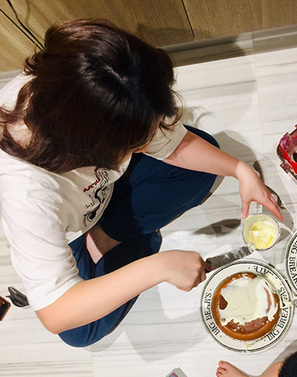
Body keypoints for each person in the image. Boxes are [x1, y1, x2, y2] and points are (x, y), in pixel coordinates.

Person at [0, 19, 282, 347]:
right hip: (76, 199)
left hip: (101, 187)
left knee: (204, 159)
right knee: (79, 331)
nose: (151, 140)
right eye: (137, 142)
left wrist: (240, 170)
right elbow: (56, 313)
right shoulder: (26, 194)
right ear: (89, 144)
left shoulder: (88, 79)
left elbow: (169, 141)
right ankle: (111, 242)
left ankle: (105, 238)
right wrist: (157, 268)